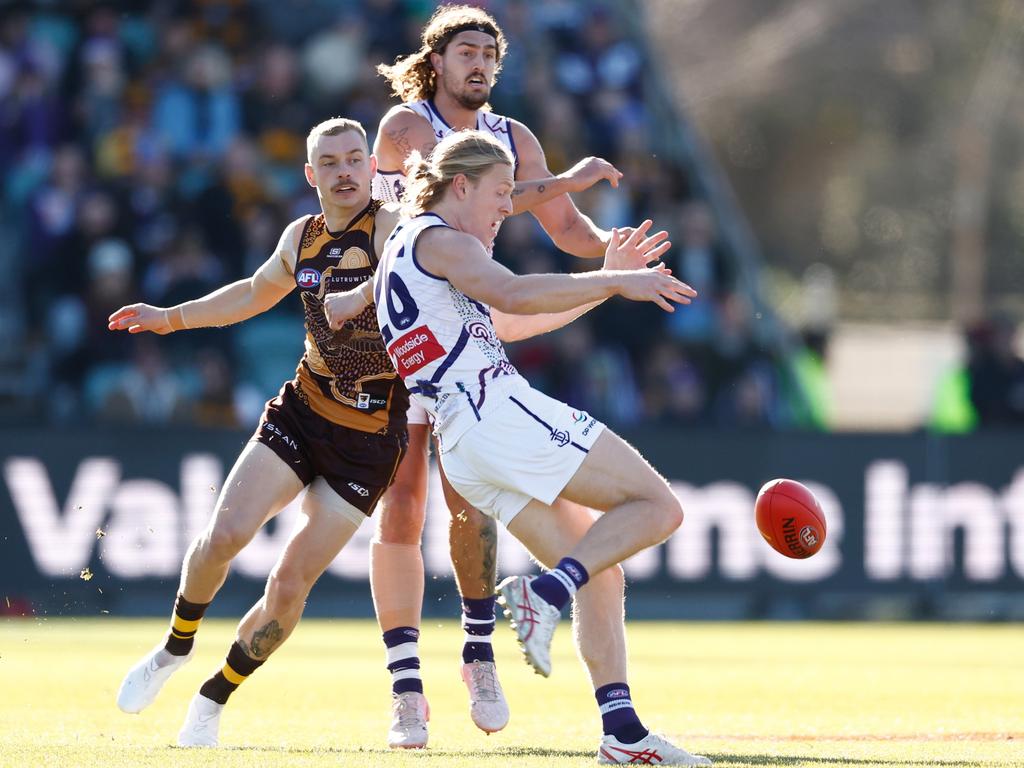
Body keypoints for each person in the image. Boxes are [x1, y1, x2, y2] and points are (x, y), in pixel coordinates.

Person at [376, 129, 711, 766]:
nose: (507, 207)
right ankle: (545, 595)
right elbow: (513, 293)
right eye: (501, 193)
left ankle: (622, 733)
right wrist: (614, 282)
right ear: (462, 185)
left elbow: (510, 319)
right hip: (495, 411)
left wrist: (605, 279)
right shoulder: (442, 239)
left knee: (600, 566)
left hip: (464, 444)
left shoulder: (407, 247)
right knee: (657, 508)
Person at [342, 3, 628, 744]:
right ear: (436, 60)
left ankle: (477, 649)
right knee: (401, 506)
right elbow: (399, 219)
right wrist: (563, 181)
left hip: (473, 329)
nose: (479, 65)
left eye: (488, 55)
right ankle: (406, 685)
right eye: (465, 51)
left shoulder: (514, 135)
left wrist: (612, 254)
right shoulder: (407, 129)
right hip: (410, 324)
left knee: (472, 498)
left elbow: (564, 230)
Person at [108, 117, 412, 748]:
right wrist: (171, 318)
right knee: (223, 534)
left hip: (370, 442)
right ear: (310, 175)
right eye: (329, 163)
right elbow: (253, 292)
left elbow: (411, 272)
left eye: (355, 158)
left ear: (370, 168)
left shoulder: (392, 229)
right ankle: (173, 649)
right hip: (302, 410)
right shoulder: (300, 237)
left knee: (288, 584)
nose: (346, 171)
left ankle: (212, 700)